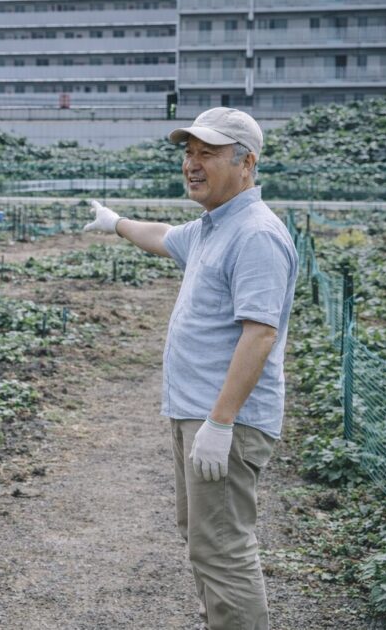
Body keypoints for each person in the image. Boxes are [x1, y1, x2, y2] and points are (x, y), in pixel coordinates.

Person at [84, 108, 298, 630]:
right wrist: (116, 224)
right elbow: (163, 236)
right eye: (189, 152)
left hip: (225, 421)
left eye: (207, 153)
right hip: (196, 417)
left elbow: (260, 333)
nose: (192, 164)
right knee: (203, 541)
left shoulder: (255, 234)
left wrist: (221, 422)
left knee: (223, 549)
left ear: (246, 163)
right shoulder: (212, 227)